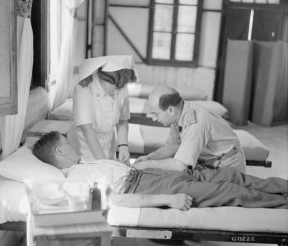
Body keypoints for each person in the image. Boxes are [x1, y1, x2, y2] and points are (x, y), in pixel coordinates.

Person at [32, 131, 287, 210]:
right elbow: (114, 199)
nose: (73, 144)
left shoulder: (84, 164)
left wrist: (145, 162)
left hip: (151, 174)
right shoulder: (76, 178)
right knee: (229, 192)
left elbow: (123, 170)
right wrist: (168, 199)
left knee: (231, 176)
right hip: (150, 187)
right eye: (67, 144)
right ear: (59, 153)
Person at [134, 86, 247, 173]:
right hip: (210, 162)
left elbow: (181, 165)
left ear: (170, 110)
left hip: (228, 166)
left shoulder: (195, 123)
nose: (153, 119)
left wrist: (148, 165)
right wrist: (149, 158)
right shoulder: (179, 115)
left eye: (155, 114)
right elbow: (172, 146)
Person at [67, 55, 138, 165]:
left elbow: (123, 120)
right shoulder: (83, 88)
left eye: (121, 88)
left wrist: (123, 147)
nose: (117, 91)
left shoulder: (121, 87)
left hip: (109, 142)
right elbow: (87, 128)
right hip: (84, 144)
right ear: (102, 78)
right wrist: (104, 162)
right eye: (115, 87)